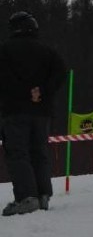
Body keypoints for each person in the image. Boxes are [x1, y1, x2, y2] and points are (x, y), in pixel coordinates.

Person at [0, 11, 67, 216]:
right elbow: (61, 72)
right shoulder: (47, 51)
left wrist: (23, 94)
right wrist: (42, 92)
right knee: (40, 152)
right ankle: (42, 195)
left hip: (14, 111)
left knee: (18, 153)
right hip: (41, 112)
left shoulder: (5, 51)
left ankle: (27, 197)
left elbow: (4, 78)